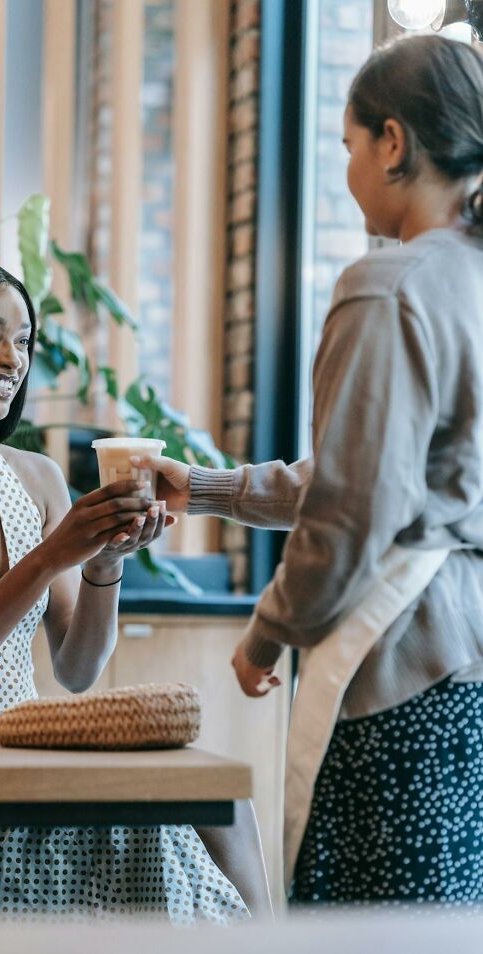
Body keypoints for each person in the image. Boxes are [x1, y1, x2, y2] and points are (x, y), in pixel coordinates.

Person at [138, 34, 483, 906]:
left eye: (346, 145)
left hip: (402, 662)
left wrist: (268, 629)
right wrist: (209, 487)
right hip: (470, 662)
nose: (346, 169)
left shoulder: (388, 285)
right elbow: (373, 478)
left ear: (393, 142)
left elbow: (352, 513)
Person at [0, 251, 254, 921]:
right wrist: (49, 555)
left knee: (221, 806)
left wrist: (102, 562)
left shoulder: (37, 478)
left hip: (19, 760)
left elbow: (79, 668)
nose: (11, 357)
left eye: (23, 340)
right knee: (159, 840)